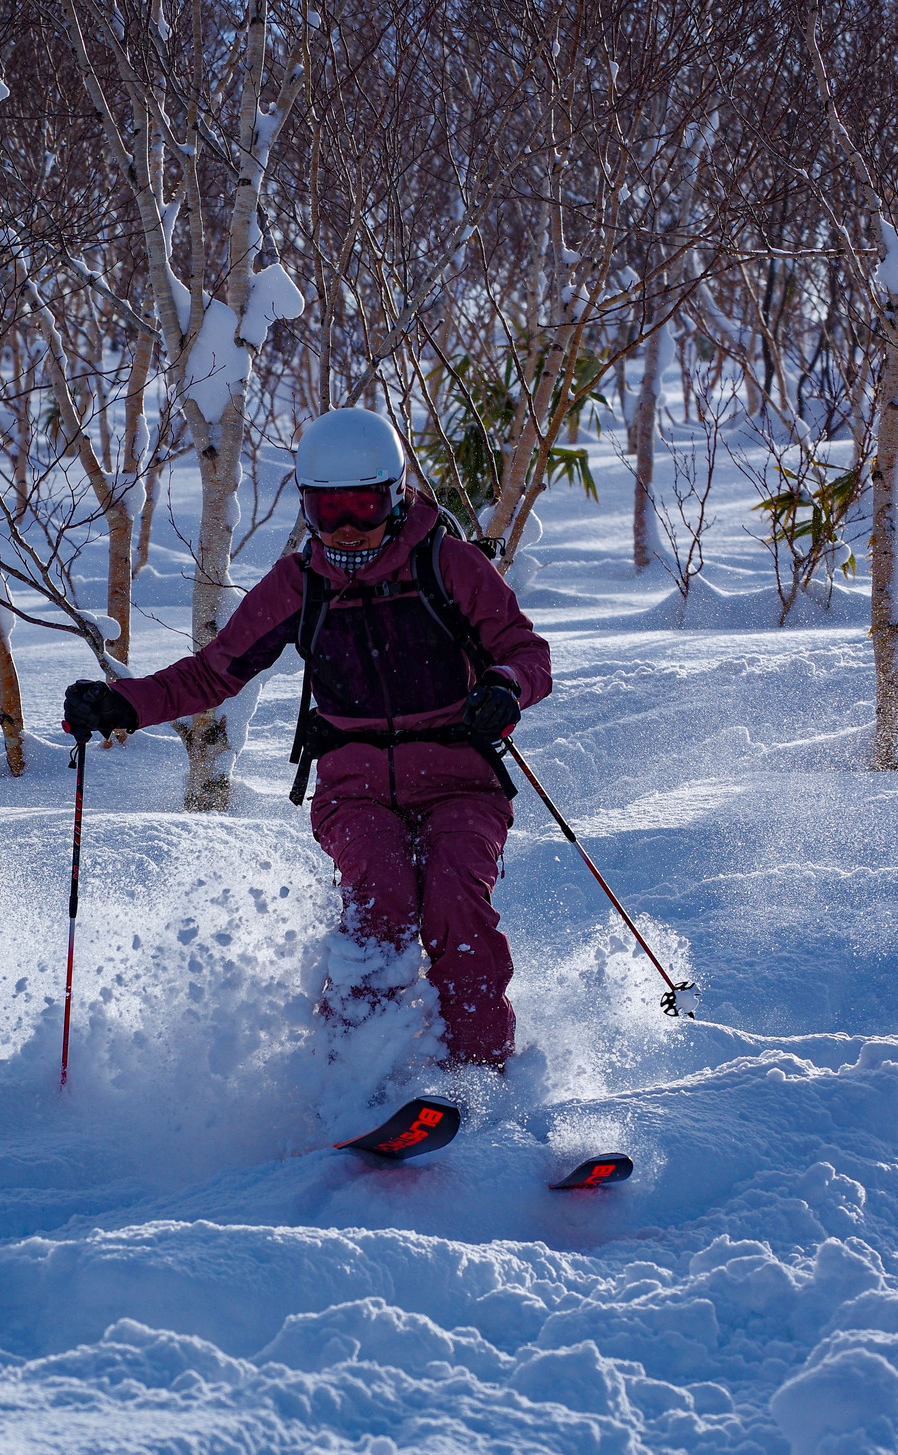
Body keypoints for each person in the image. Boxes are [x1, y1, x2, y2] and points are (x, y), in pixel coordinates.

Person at [63, 408, 552, 1069]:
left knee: (454, 898)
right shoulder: (302, 584)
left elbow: (525, 650)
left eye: (364, 505)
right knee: (381, 899)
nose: (348, 527)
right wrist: (122, 703)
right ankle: (358, 1076)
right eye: (329, 511)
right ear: (307, 507)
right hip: (355, 793)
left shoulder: (449, 564)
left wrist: (505, 687)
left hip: (462, 781)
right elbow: (213, 674)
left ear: (397, 494)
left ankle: (479, 1070)